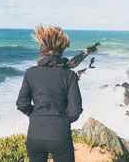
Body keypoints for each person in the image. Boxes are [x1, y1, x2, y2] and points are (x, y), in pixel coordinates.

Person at [16, 25, 83, 162]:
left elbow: (22, 104)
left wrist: (36, 115)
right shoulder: (69, 76)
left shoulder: (30, 73)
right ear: (62, 48)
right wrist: (62, 120)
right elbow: (74, 112)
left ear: (42, 48)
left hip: (35, 133)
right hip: (60, 135)